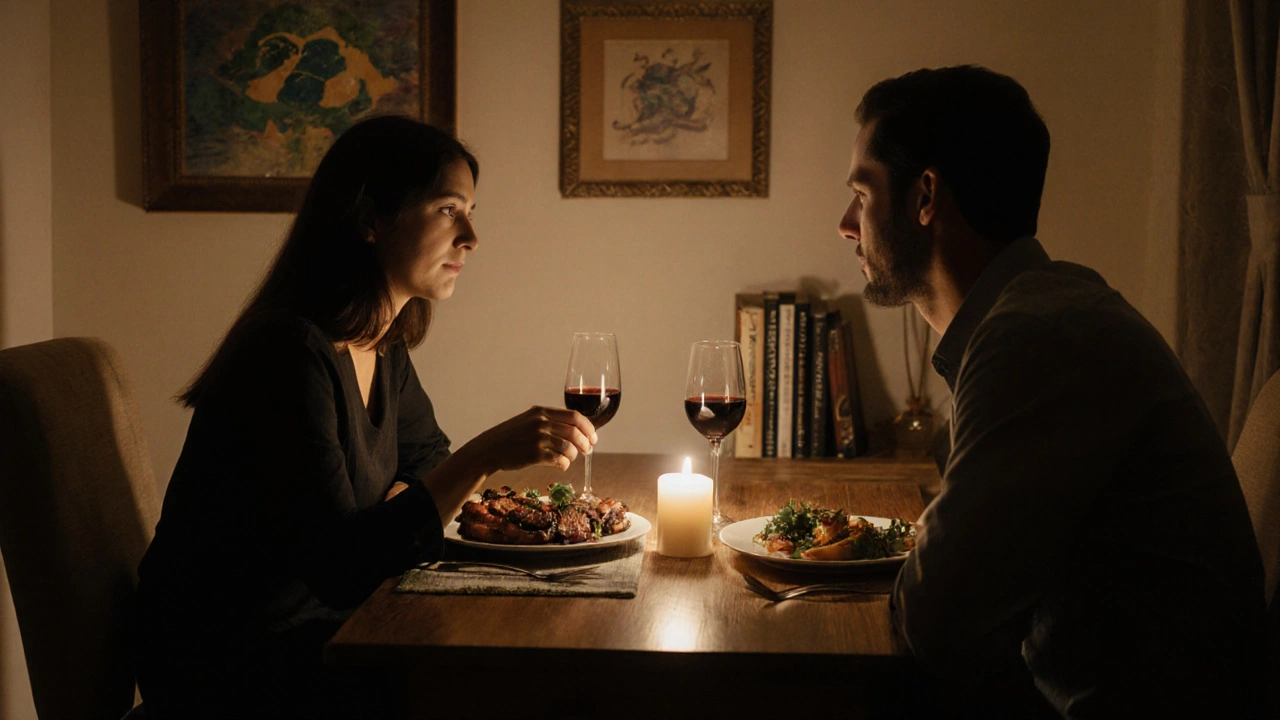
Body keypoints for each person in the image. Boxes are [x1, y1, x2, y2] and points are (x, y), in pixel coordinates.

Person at [838, 66, 1269, 718]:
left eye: (862, 194)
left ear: (925, 197)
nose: (846, 224)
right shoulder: (1035, 316)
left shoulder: (1034, 340)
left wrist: (934, 554)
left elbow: (936, 621)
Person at [134, 116, 598, 719]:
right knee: (530, 685)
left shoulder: (382, 342)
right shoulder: (288, 353)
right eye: (448, 210)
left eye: (471, 211)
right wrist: (484, 456)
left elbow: (428, 456)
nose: (472, 238)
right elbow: (343, 570)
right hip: (234, 666)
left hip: (325, 633)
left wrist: (396, 508)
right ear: (370, 219)